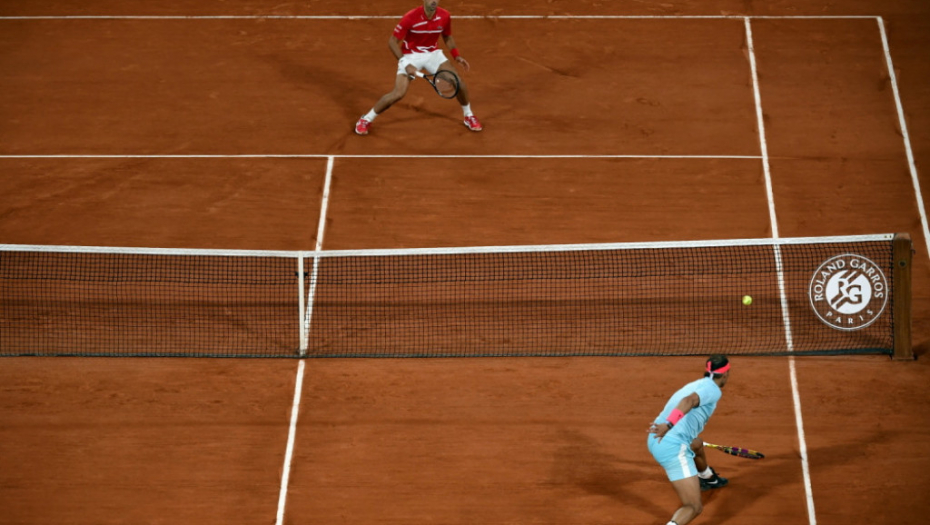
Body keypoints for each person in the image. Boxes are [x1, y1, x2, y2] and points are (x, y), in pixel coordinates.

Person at [354, 0, 482, 135]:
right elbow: (392, 42)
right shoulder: (410, 17)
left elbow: (447, 37)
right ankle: (366, 119)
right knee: (398, 93)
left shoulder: (445, 16)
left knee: (458, 82)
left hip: (433, 54)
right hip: (410, 56)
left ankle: (468, 115)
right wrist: (406, 64)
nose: (434, 1)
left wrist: (456, 56)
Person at [647, 355, 731, 525]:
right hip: (671, 446)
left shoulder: (696, 384)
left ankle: (707, 477)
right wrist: (669, 425)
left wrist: (667, 427)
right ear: (725, 374)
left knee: (697, 444)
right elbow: (688, 401)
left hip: (655, 437)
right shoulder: (713, 390)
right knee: (693, 507)